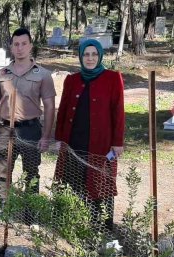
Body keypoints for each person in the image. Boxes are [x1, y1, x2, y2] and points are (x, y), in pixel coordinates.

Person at [0, 28, 56, 221]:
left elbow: (49, 107)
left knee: (31, 173)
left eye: (24, 43)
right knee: (3, 173)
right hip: (5, 129)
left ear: (30, 46)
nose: (20, 48)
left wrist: (46, 136)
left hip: (31, 129)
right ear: (11, 47)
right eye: (16, 44)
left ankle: (30, 216)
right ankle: (3, 209)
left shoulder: (43, 75)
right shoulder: (1, 74)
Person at [54, 39, 125, 231]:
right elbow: (63, 111)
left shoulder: (112, 78)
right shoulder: (72, 80)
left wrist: (118, 142)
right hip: (74, 141)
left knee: (100, 184)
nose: (90, 58)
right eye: (86, 54)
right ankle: (72, 225)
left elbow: (118, 111)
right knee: (72, 181)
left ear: (100, 56)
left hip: (101, 144)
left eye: (94, 54)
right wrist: (59, 138)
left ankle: (102, 228)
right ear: (81, 57)